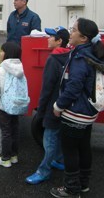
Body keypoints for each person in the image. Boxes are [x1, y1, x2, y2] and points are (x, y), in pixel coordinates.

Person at [51, 18, 104, 198]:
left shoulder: (80, 57)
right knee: (84, 147)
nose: (70, 33)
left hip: (75, 112)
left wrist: (58, 106)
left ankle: (71, 189)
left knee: (70, 150)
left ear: (84, 38)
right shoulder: (92, 53)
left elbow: (73, 87)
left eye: (74, 30)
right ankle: (83, 184)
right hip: (88, 112)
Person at [26, 26, 71, 185]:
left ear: (59, 41)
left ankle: (43, 171)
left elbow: (47, 87)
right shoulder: (70, 56)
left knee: (49, 140)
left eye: (51, 37)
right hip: (65, 105)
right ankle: (59, 160)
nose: (47, 39)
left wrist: (41, 108)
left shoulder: (53, 59)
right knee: (57, 135)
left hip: (53, 106)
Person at [0, 42, 26, 168]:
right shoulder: (20, 68)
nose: (0, 53)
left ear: (8, 54)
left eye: (2, 51)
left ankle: (5, 159)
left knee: (6, 132)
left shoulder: (0, 70)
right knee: (15, 130)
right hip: (16, 105)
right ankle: (14, 156)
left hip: (4, 107)